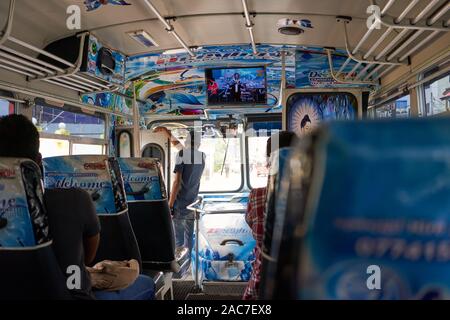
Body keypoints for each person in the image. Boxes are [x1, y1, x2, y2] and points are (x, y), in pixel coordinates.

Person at [0, 114, 154, 300]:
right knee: (146, 283)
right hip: (73, 292)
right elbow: (88, 257)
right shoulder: (75, 199)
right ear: (39, 161)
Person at [243, 131, 295, 300]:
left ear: (268, 162)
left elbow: (252, 224)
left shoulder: (257, 196)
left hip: (261, 282)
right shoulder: (317, 199)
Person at [154, 127, 205, 260]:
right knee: (189, 239)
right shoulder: (201, 156)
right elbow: (178, 146)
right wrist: (166, 131)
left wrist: (170, 204)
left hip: (180, 204)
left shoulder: (183, 154)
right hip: (193, 204)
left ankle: (179, 270)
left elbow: (176, 182)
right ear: (198, 143)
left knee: (178, 240)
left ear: (187, 142)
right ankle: (188, 266)